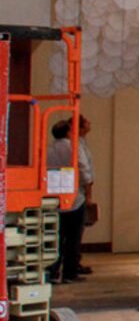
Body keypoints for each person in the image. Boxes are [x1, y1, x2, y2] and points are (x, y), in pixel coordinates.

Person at [47, 116, 94, 283]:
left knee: (55, 236)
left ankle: (52, 272)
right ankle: (69, 272)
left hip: (53, 197)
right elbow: (84, 171)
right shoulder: (74, 148)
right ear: (68, 132)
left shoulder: (49, 149)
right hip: (74, 196)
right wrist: (88, 193)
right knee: (73, 237)